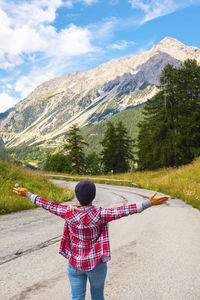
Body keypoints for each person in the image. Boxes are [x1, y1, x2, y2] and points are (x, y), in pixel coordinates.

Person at [13, 180, 169, 300]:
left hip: (74, 264)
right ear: (93, 196)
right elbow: (125, 210)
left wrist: (27, 193)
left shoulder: (68, 212)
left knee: (77, 298)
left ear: (77, 196)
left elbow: (46, 204)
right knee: (98, 297)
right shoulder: (100, 214)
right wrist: (149, 203)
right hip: (96, 265)